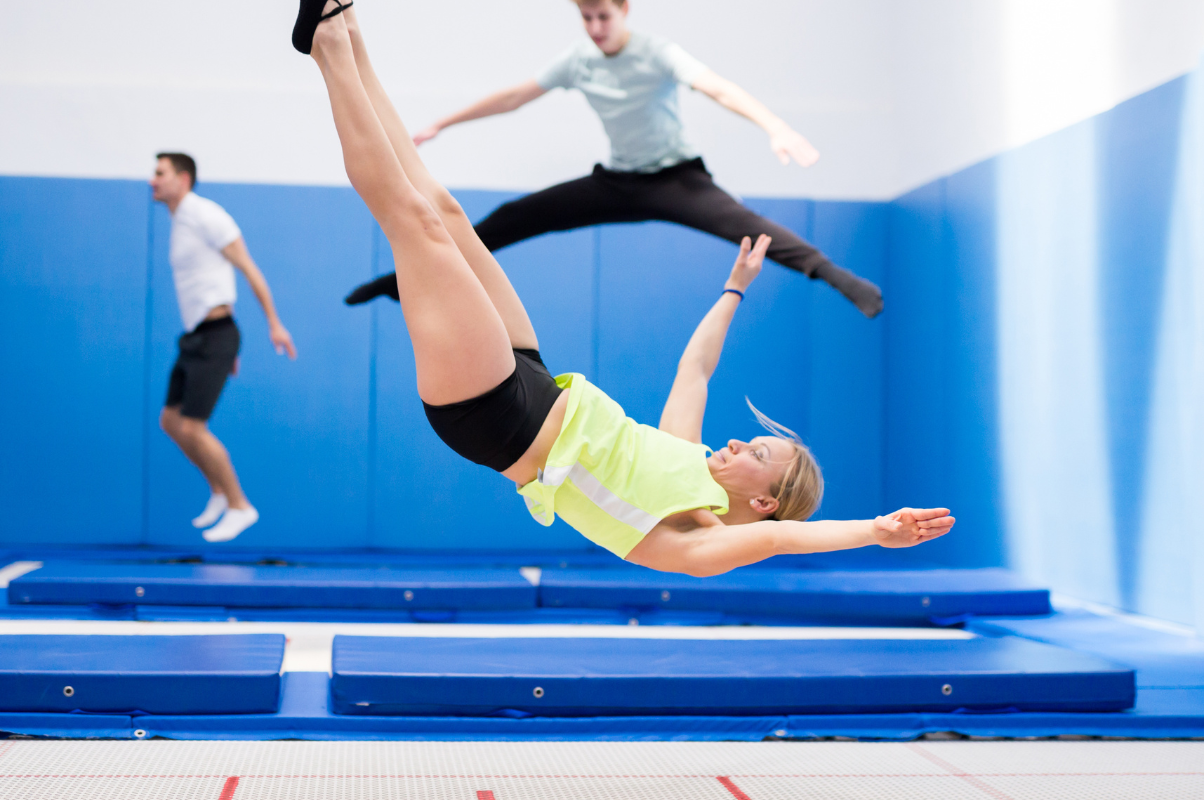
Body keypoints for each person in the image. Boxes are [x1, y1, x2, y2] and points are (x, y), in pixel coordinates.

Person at [291, 0, 952, 575]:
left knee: (416, 226)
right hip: (534, 379)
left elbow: (780, 540)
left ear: (763, 501)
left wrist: (873, 530)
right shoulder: (686, 456)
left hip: (497, 420)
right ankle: (347, 33)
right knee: (446, 212)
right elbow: (695, 371)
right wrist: (734, 290)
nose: (736, 444)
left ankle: (327, 52)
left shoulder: (691, 536)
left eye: (754, 453)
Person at [342, 0, 883, 318]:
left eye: (603, 15)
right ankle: (401, 280)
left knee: (750, 228)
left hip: (677, 182)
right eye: (586, 17)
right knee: (514, 217)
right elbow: (514, 96)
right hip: (616, 182)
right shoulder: (579, 60)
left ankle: (836, 276)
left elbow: (716, 87)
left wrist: (776, 126)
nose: (596, 27)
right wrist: (445, 122)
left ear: (624, 10)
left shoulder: (657, 52)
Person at [150, 153, 297, 543]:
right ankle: (217, 492)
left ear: (183, 179)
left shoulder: (205, 215)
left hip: (216, 334)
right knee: (170, 420)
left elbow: (248, 267)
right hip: (198, 336)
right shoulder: (179, 219)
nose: (153, 180)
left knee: (194, 427)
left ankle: (239, 505)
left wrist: (274, 323)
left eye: (160, 173)